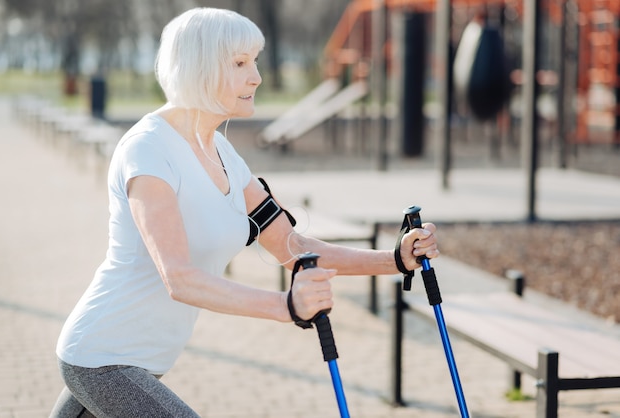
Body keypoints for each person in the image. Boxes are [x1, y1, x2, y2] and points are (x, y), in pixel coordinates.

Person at [49, 7, 439, 418]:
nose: (255, 76)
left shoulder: (223, 154)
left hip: (146, 361)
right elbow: (179, 278)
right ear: (200, 67)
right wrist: (286, 306)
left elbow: (292, 246)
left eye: (255, 61)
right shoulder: (148, 150)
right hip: (102, 357)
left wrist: (395, 259)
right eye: (239, 63)